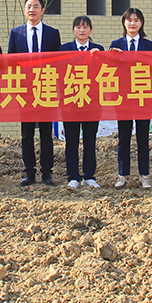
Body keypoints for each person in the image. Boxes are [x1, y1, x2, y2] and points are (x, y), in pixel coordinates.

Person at [7, 0, 61, 186]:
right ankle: (29, 172)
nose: (32, 10)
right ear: (24, 10)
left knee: (46, 133)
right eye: (29, 7)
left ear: (42, 10)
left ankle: (47, 172)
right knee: (27, 133)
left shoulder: (52, 33)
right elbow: (11, 62)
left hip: (46, 88)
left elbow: (58, 62)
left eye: (36, 6)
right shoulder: (16, 33)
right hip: (25, 90)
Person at [108, 8, 152, 189]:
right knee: (123, 137)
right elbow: (109, 70)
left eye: (136, 20)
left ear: (141, 23)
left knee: (143, 138)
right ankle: (122, 175)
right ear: (124, 22)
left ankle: (144, 175)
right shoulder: (115, 44)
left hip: (143, 96)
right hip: (123, 98)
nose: (132, 23)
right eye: (129, 20)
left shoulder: (148, 45)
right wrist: (112, 56)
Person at [59, 16, 103, 189]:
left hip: (92, 102)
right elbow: (59, 74)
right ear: (73, 30)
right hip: (71, 102)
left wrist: (98, 58)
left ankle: (89, 176)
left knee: (90, 141)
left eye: (85, 27)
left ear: (90, 30)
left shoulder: (98, 50)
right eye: (78, 27)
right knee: (71, 141)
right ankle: (73, 176)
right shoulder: (64, 49)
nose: (82, 30)